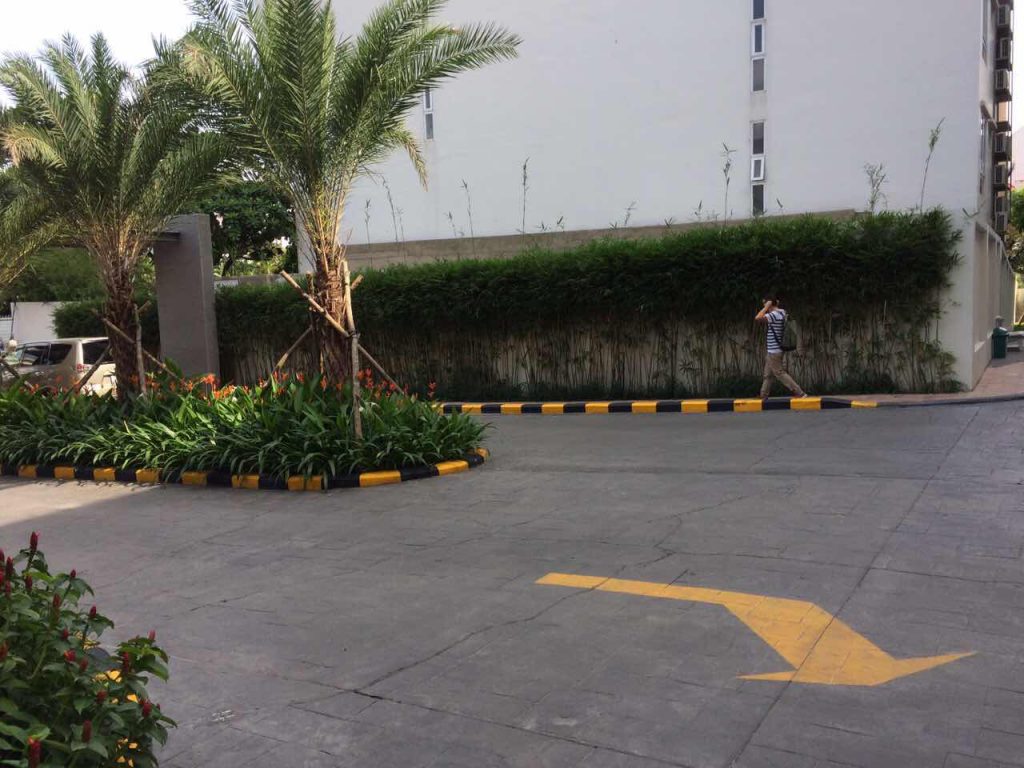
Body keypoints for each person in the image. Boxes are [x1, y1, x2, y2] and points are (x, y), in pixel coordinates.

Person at [755, 297, 806, 399]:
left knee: (779, 373)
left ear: (769, 304)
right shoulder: (782, 312)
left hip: (774, 351)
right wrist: (772, 304)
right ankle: (763, 394)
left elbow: (758, 318)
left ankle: (800, 393)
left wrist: (766, 307)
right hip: (774, 350)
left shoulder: (774, 315)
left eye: (764, 304)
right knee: (768, 375)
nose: (763, 306)